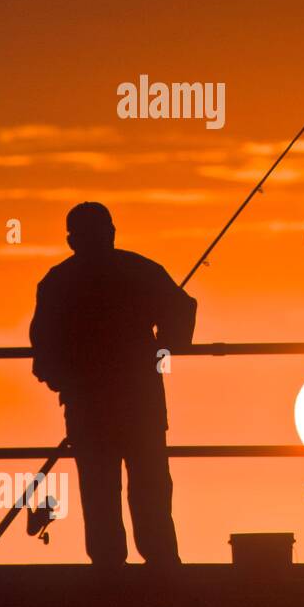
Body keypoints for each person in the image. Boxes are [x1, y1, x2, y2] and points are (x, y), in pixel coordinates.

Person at [29, 202, 196, 566]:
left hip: (88, 404)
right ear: (111, 233)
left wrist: (61, 378)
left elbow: (42, 346)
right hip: (141, 400)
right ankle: (161, 563)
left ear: (72, 239)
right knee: (149, 483)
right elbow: (182, 309)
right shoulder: (139, 270)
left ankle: (109, 568)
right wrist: (166, 347)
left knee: (99, 487)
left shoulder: (59, 281)